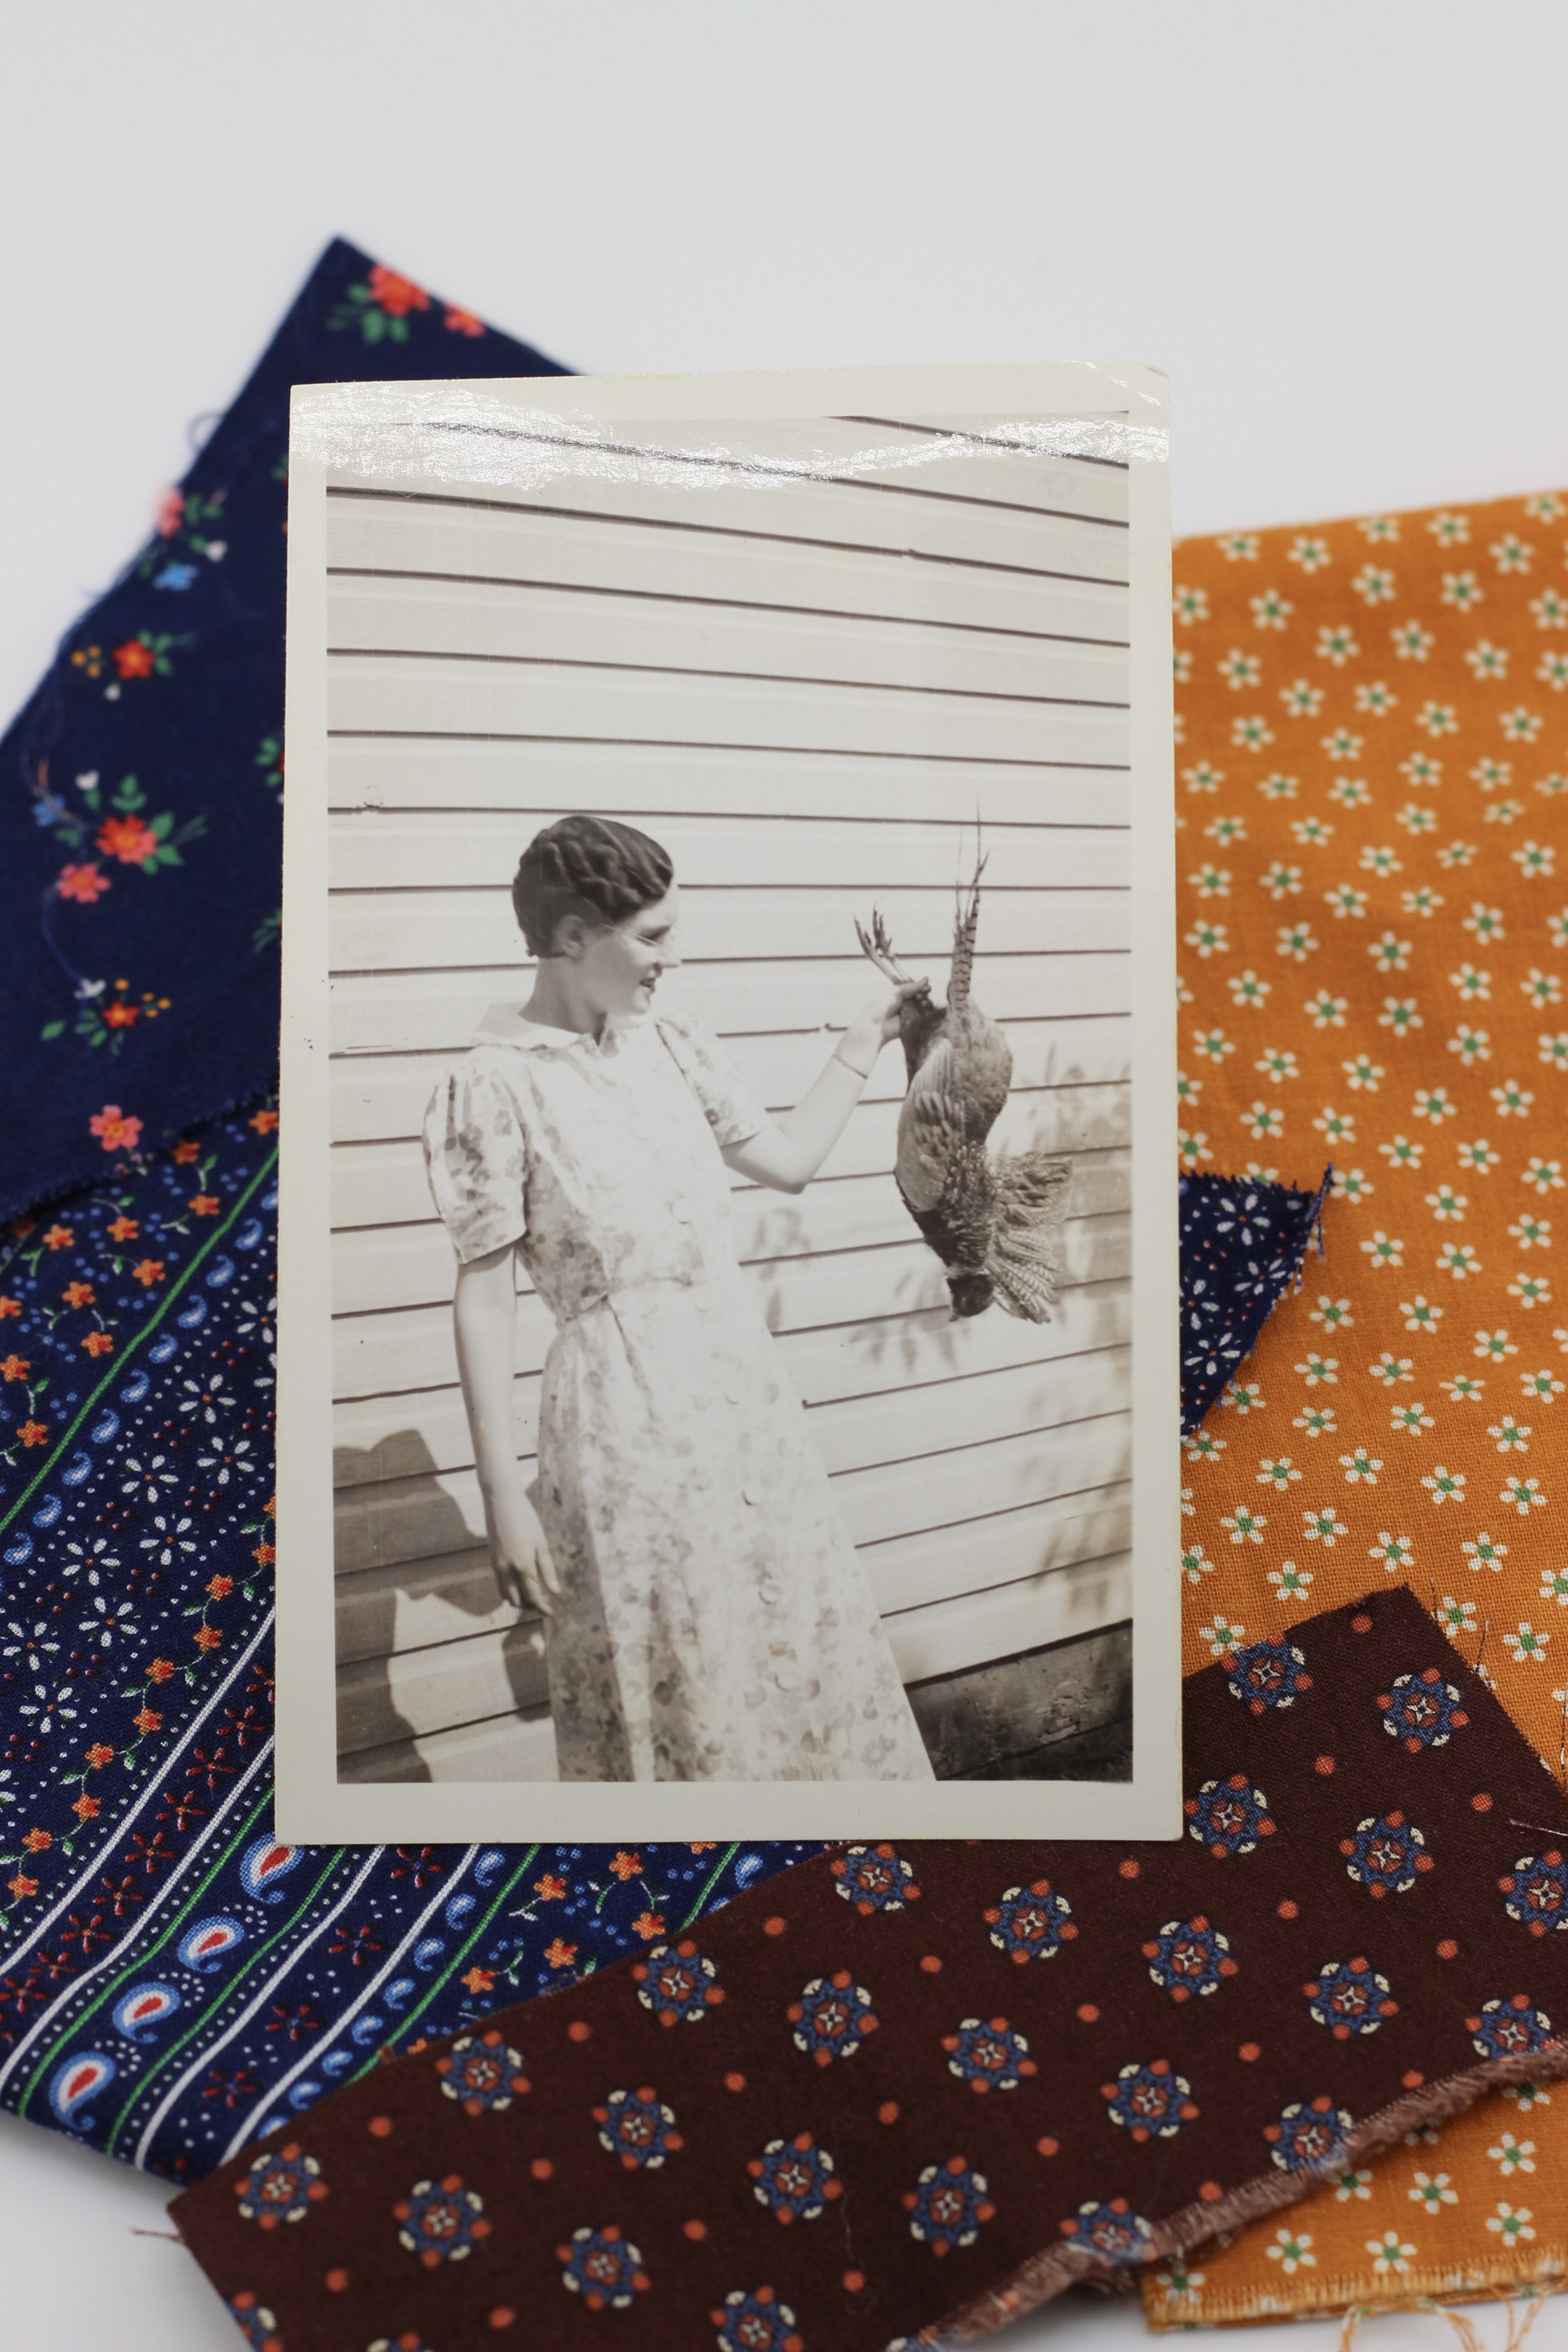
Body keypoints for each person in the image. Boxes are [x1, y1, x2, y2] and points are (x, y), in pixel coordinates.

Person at [422, 813, 938, 1782]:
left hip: (743, 1399)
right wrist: (501, 1497)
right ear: (573, 935)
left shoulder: (671, 1044)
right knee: (683, 1670)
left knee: (788, 1643)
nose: (674, 958)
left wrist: (864, 1040)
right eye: (653, 937)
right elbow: (485, 1300)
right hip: (622, 1423)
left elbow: (788, 1161)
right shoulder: (493, 1085)